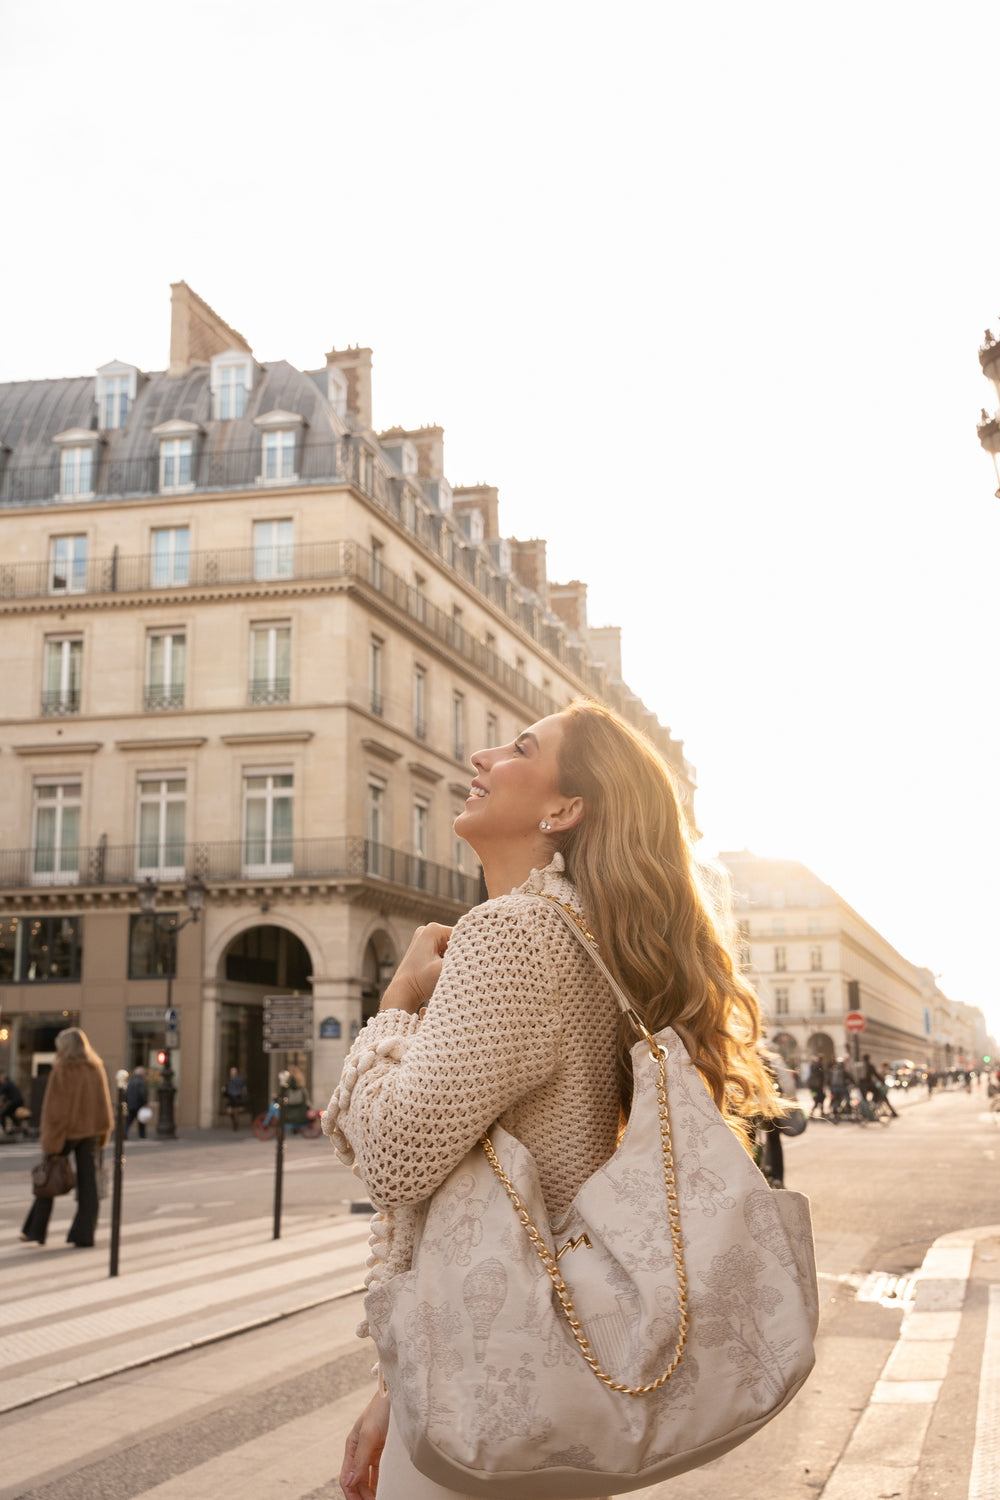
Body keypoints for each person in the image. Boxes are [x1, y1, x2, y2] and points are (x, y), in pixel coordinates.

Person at [324, 699, 782, 1500]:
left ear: (564, 809)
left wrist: (396, 1001)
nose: (482, 756)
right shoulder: (581, 935)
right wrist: (394, 1393)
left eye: (520, 748)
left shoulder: (512, 935)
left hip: (494, 1402)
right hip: (529, 1373)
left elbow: (396, 1155)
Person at [19, 1028, 113, 1247]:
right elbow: (104, 1102)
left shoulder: (63, 1069)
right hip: (91, 1130)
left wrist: (50, 1141)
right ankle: (84, 1234)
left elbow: (55, 1110)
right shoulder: (95, 1067)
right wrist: (103, 1130)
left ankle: (35, 1230)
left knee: (47, 1177)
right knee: (89, 1184)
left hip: (66, 1132)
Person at [124, 1066, 149, 1138]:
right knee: (141, 1121)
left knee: (128, 1121)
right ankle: (142, 1136)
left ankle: (124, 1133)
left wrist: (127, 1102)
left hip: (131, 1104)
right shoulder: (141, 1082)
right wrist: (145, 1102)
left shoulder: (131, 1081)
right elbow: (142, 1093)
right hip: (139, 1105)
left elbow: (126, 1093)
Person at [806, 1054, 827, 1118]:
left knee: (817, 1099)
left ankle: (816, 1111)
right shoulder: (820, 1066)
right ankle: (820, 1112)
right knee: (820, 1098)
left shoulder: (813, 1066)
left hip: (813, 1087)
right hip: (818, 1087)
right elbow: (822, 1077)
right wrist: (823, 1084)